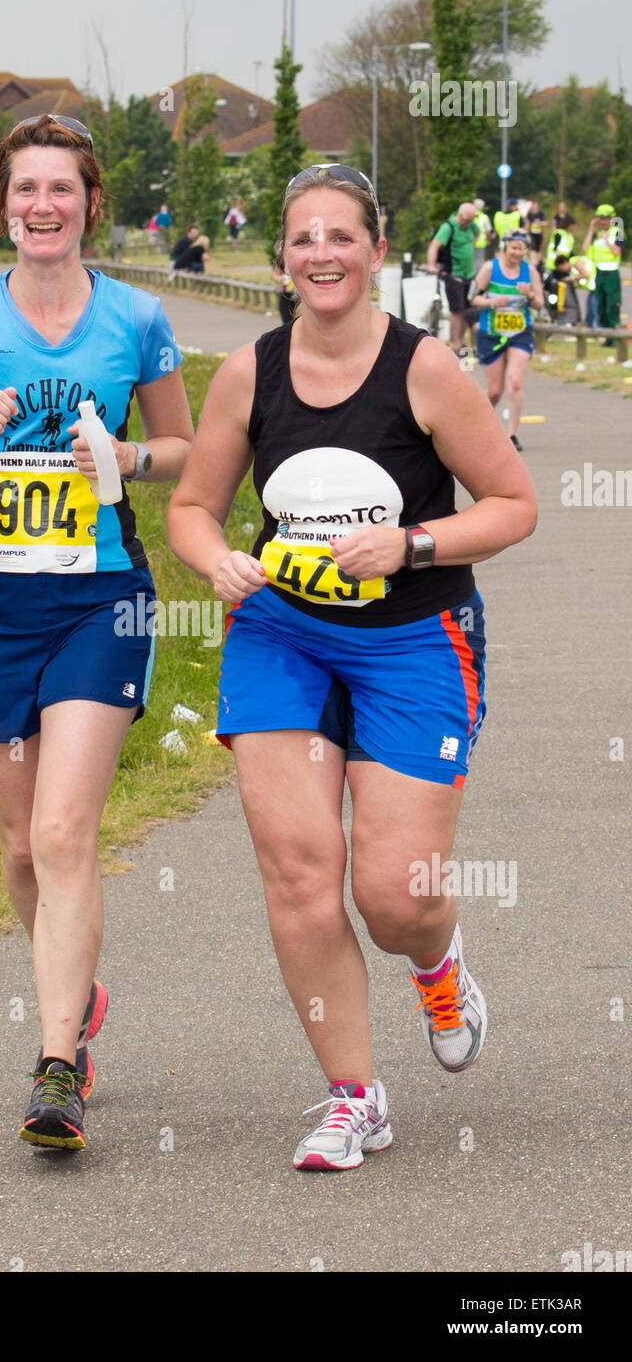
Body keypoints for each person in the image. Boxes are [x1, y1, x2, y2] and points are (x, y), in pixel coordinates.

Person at [166, 163, 537, 1173]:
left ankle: (437, 960)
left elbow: (511, 503)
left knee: (392, 893)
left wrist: (412, 544)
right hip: (281, 631)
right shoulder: (249, 371)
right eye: (302, 239)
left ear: (377, 252)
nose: (321, 254)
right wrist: (218, 560)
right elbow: (191, 506)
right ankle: (352, 1096)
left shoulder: (423, 370)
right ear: (282, 257)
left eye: (342, 237)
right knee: (297, 870)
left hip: (415, 636)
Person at [0, 114, 193, 1153]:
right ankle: (76, 987)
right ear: (3, 203)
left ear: (91, 204)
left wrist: (127, 460)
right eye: (24, 190)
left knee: (63, 832)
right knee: (19, 846)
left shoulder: (136, 317)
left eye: (61, 189)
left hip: (101, 600)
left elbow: (185, 447)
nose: (42, 207)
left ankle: (58, 1065)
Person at [472, 229, 544, 452]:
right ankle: (476, 425)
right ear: (505, 247)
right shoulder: (489, 269)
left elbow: (540, 304)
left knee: (515, 382)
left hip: (520, 333)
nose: (517, 252)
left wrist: (530, 294)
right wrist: (493, 303)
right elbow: (472, 298)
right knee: (495, 391)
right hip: (491, 333)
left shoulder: (530, 271)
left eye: (521, 248)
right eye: (513, 247)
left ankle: (511, 435)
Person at [427, 201, 478, 353]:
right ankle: (456, 344)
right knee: (457, 310)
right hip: (453, 274)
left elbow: (478, 235)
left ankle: (463, 341)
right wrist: (431, 265)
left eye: (471, 220)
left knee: (468, 310)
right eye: (467, 220)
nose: (468, 223)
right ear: (460, 216)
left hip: (469, 274)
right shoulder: (448, 227)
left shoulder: (471, 227)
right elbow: (434, 245)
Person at [583, 204, 623, 341]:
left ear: (612, 219)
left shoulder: (618, 232)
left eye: (606, 218)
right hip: (599, 274)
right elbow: (585, 249)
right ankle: (606, 337)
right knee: (601, 307)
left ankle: (614, 337)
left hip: (611, 274)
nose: (603, 221)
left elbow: (617, 251)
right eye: (600, 218)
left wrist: (606, 240)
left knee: (611, 307)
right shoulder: (596, 234)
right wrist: (590, 230)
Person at [472, 198, 493, 270]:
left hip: (469, 242)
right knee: (479, 261)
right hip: (481, 243)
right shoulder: (484, 217)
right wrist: (488, 240)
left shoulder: (470, 215)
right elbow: (488, 230)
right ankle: (478, 277)